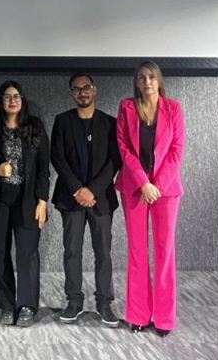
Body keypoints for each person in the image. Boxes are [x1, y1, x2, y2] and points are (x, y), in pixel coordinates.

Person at [116, 61, 186, 336]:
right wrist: (143, 183)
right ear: (136, 82)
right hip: (135, 187)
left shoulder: (174, 109)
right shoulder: (126, 107)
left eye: (151, 77)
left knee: (165, 251)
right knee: (137, 251)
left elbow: (177, 151)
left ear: (159, 81)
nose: (147, 82)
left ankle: (164, 318)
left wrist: (156, 185)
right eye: (142, 78)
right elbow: (124, 148)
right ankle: (138, 315)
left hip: (165, 190)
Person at [0, 80, 50, 327]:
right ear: (0, 101)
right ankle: (6, 304)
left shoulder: (35, 127)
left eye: (16, 96)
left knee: (28, 254)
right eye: (7, 96)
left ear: (23, 100)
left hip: (27, 201)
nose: (12, 100)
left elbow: (43, 169)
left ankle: (27, 305)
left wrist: (42, 201)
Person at [50, 72, 122, 326]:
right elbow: (57, 158)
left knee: (103, 251)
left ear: (95, 90)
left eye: (86, 87)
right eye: (76, 89)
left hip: (101, 199)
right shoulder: (62, 121)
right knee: (72, 251)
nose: (82, 92)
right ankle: (74, 301)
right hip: (71, 198)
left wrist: (92, 190)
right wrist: (79, 190)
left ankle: (104, 303)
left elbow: (115, 160)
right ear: (72, 93)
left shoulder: (110, 123)